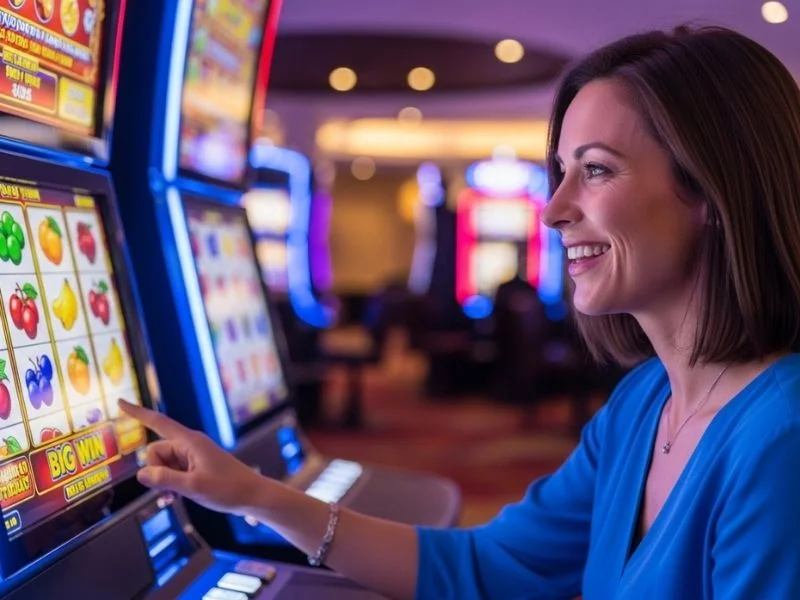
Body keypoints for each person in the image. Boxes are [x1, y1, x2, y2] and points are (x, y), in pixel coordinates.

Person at [120, 24, 800, 599]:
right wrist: (255, 497)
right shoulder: (644, 404)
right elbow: (487, 567)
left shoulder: (780, 442)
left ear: (711, 187)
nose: (555, 209)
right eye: (560, 170)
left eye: (595, 170)